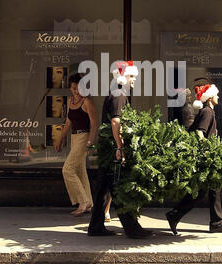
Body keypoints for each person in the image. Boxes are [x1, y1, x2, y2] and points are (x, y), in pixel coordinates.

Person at [88, 61, 153, 239]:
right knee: (118, 187)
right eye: (131, 76)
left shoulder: (114, 92)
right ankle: (132, 229)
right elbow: (116, 122)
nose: (134, 80)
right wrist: (120, 146)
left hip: (107, 147)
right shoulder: (119, 94)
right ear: (123, 77)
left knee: (103, 188)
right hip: (112, 148)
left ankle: (95, 227)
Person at [166, 83, 222, 234]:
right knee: (202, 191)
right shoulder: (207, 112)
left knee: (211, 189)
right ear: (209, 98)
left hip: (207, 157)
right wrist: (207, 151)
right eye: (216, 95)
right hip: (206, 157)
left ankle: (215, 222)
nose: (218, 97)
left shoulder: (207, 111)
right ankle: (175, 215)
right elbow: (200, 133)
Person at [55, 73, 98, 216]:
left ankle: (83, 201)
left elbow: (94, 123)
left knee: (67, 169)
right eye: (73, 88)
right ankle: (89, 203)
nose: (76, 91)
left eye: (78, 88)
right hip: (74, 137)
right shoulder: (70, 101)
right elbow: (68, 122)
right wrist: (60, 138)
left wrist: (91, 140)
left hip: (84, 137)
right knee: (80, 171)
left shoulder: (87, 102)